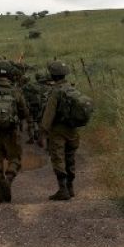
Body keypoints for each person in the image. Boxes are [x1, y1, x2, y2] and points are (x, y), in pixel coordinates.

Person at [40, 60, 92, 200]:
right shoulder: (72, 89)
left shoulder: (55, 92)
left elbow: (48, 115)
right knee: (70, 158)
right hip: (72, 130)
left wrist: (43, 132)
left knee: (58, 158)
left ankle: (62, 189)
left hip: (58, 130)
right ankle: (70, 187)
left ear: (52, 75)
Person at [0, 61, 30, 203]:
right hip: (11, 131)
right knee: (15, 159)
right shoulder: (15, 91)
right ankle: (8, 180)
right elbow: (24, 112)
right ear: (9, 74)